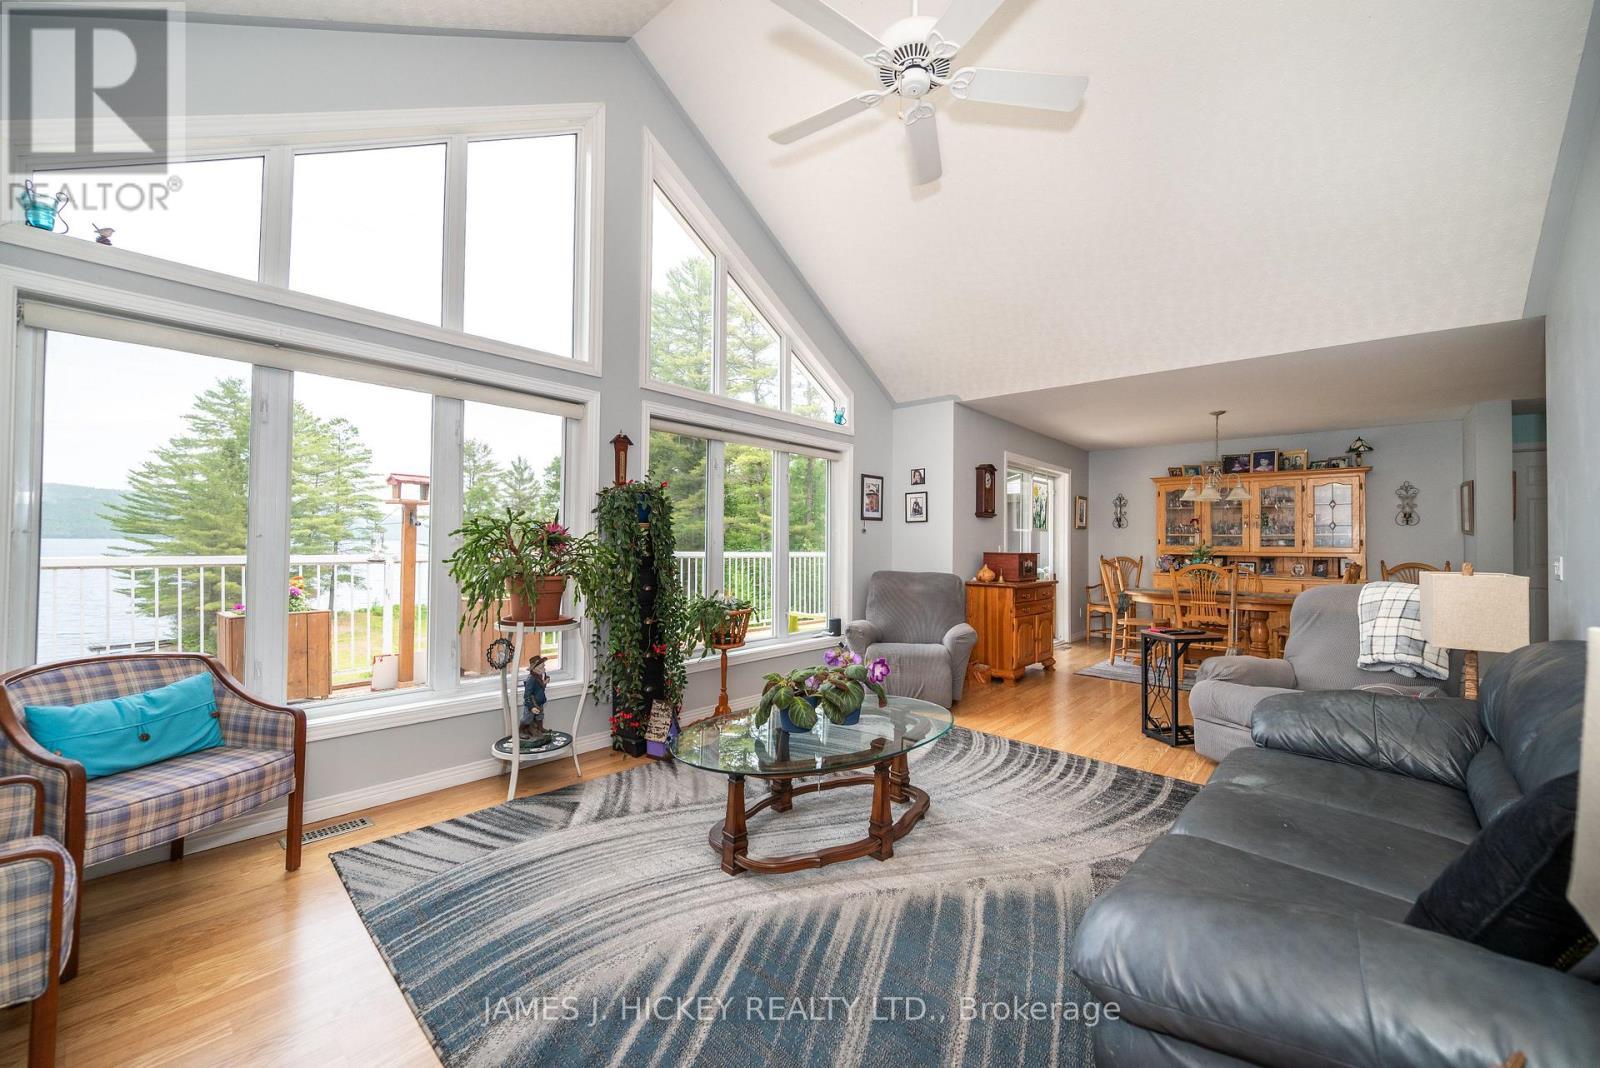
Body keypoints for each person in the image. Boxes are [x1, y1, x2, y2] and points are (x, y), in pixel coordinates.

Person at [521, 654, 550, 743]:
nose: (544, 668)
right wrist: (531, 707)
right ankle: (521, 731)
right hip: (532, 703)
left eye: (543, 666)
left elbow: (539, 689)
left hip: (539, 702)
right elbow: (527, 695)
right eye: (541, 667)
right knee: (527, 718)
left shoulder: (539, 677)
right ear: (535, 668)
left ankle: (540, 728)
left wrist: (544, 683)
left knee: (540, 716)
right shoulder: (531, 679)